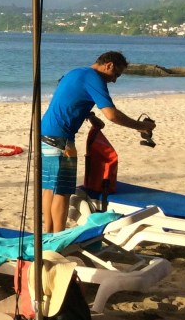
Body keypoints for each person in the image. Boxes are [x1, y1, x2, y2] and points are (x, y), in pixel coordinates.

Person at [40, 51, 156, 234]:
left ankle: (47, 235)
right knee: (62, 191)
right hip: (62, 138)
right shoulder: (95, 78)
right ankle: (57, 237)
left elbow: (70, 96)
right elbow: (112, 115)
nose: (114, 80)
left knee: (49, 188)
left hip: (45, 132)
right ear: (109, 65)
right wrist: (141, 126)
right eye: (116, 74)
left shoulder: (76, 72)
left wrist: (89, 115)